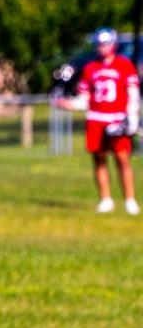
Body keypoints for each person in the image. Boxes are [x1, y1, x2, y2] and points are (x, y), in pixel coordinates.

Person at [56, 27, 140, 215]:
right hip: (96, 119)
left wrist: (132, 116)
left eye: (105, 44)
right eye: (99, 45)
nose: (102, 48)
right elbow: (84, 98)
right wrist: (68, 104)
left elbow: (133, 93)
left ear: (113, 44)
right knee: (99, 159)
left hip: (118, 118)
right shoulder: (90, 68)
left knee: (122, 159)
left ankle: (129, 199)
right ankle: (105, 199)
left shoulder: (124, 65)